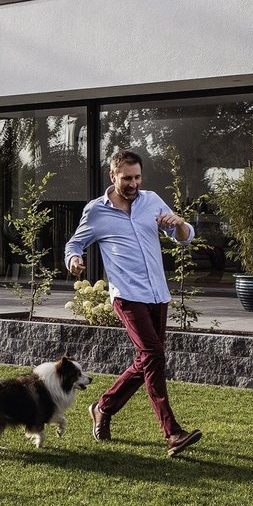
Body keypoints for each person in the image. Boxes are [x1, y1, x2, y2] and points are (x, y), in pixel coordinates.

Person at [65, 149, 203, 457]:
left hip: (158, 295)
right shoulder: (96, 211)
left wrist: (178, 223)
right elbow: (75, 243)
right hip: (127, 296)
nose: (133, 183)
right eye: (127, 178)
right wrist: (74, 258)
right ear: (113, 176)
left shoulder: (152, 200)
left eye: (137, 177)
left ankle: (103, 407)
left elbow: (185, 236)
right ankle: (172, 432)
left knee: (147, 361)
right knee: (153, 354)